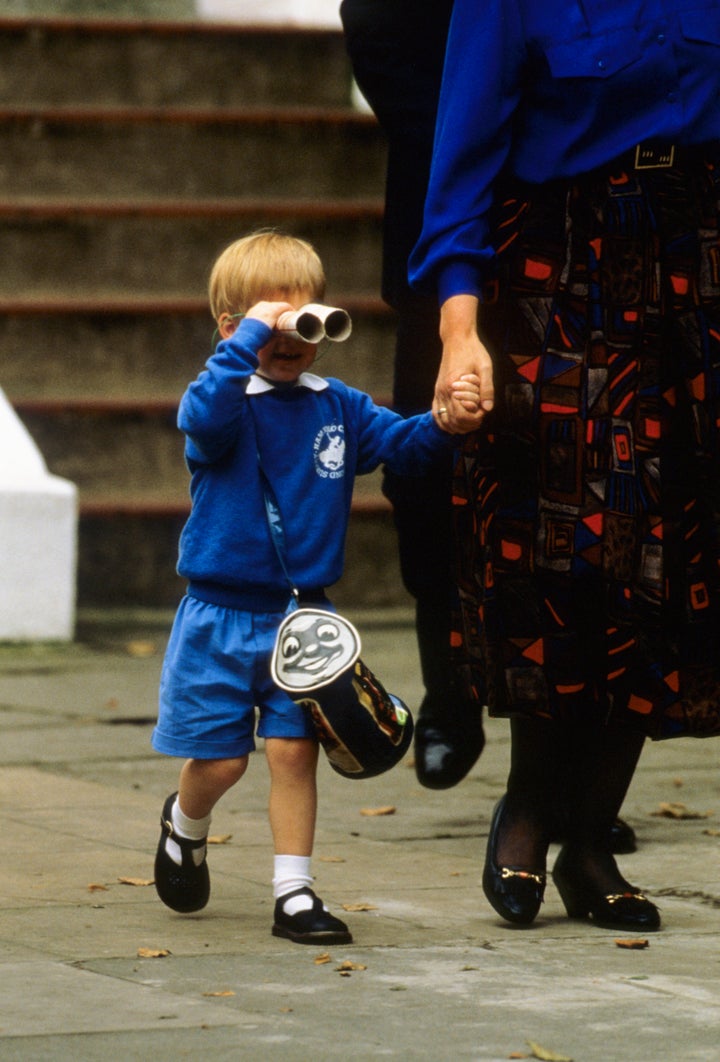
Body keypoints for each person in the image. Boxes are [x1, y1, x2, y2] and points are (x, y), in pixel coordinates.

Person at [409, 0, 720, 930]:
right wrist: (459, 331)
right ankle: (530, 805)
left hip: (696, 268)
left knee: (672, 562)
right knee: (564, 555)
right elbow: (462, 156)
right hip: (562, 271)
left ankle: (591, 838)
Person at [151, 229, 480, 944]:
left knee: (295, 752)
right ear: (232, 327)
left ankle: (294, 892)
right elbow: (201, 418)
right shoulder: (225, 401)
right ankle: (185, 823)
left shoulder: (337, 404)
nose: (296, 334)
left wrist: (447, 422)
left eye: (309, 316)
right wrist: (246, 342)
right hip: (221, 614)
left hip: (303, 621)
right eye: (277, 319)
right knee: (221, 760)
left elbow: (402, 447)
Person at [340, 0, 486, 790]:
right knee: (426, 474)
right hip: (443, 226)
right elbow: (372, 20)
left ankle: (568, 768)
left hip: (580, 224)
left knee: (581, 485)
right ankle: (450, 697)